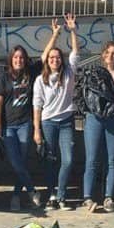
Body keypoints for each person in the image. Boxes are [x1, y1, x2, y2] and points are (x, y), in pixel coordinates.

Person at [82, 41, 114, 213]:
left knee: (112, 160)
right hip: (94, 118)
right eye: (108, 53)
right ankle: (87, 198)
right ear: (103, 55)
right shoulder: (96, 73)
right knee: (92, 159)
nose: (111, 56)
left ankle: (108, 197)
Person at [33, 15, 80, 210]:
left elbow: (76, 52)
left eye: (57, 57)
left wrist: (72, 31)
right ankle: (52, 195)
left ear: (61, 60)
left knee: (67, 160)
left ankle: (61, 195)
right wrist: (55, 34)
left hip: (67, 120)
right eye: (51, 58)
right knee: (50, 161)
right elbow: (37, 105)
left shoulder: (69, 73)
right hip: (48, 122)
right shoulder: (40, 79)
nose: (54, 60)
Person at [0, 44, 42, 212]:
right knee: (16, 162)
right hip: (8, 127)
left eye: (21, 57)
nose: (18, 60)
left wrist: (55, 35)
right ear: (11, 60)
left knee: (21, 161)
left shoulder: (31, 74)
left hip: (25, 124)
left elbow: (45, 56)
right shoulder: (3, 78)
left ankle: (15, 197)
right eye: (15, 57)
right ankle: (31, 190)